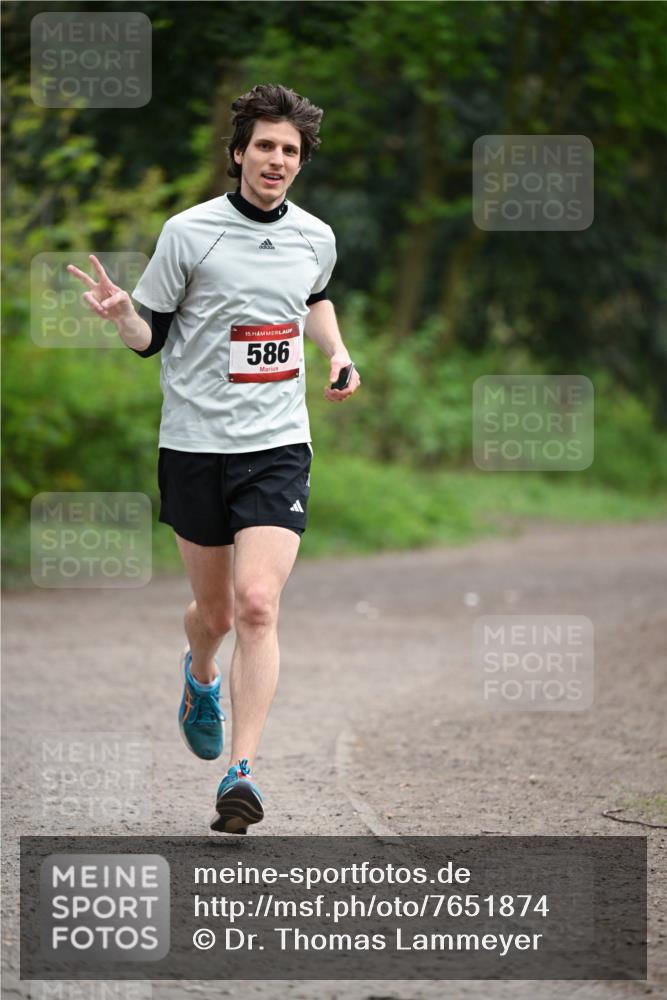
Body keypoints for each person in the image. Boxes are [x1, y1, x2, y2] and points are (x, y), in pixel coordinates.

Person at [67, 83, 361, 835]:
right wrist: (121, 313)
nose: (276, 159)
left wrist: (336, 353)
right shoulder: (189, 232)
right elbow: (151, 336)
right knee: (215, 613)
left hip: (277, 446)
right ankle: (198, 677)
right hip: (195, 445)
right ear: (238, 154)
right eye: (264, 145)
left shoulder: (314, 236)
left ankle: (242, 773)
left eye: (289, 150)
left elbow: (316, 295)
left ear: (299, 164)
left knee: (259, 604)